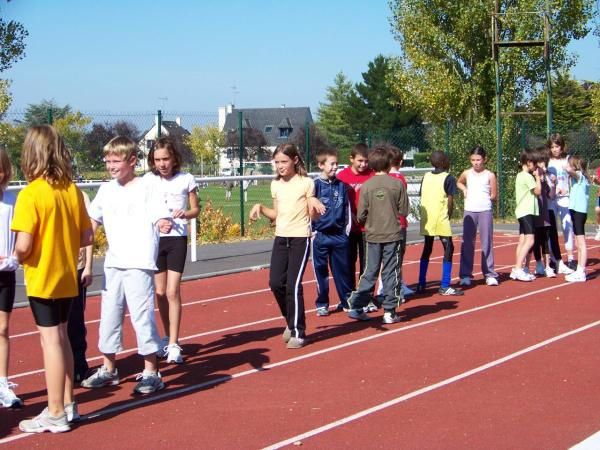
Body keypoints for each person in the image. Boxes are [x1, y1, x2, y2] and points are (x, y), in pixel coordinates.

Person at [12, 125, 93, 433]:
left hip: (43, 277)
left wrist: (13, 259)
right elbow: (87, 234)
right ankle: (68, 403)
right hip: (66, 276)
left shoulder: (31, 193)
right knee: (62, 339)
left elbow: (23, 245)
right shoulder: (71, 190)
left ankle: (56, 410)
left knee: (51, 342)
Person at [82, 136, 171, 394]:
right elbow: (93, 221)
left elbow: (158, 214)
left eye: (116, 160)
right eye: (108, 160)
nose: (111, 165)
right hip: (114, 264)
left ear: (132, 161)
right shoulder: (106, 190)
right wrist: (81, 240)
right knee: (109, 316)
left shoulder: (147, 187)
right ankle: (109, 368)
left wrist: (161, 222)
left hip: (139, 263)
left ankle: (151, 371)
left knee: (142, 316)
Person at [249, 144, 324, 349]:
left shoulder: (306, 183)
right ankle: (290, 321)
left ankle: (298, 332)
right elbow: (277, 214)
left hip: (300, 238)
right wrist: (260, 208)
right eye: (277, 162)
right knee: (275, 283)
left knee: (293, 285)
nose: (280, 166)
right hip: (281, 238)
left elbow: (312, 212)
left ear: (295, 160)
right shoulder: (276, 185)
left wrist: (316, 208)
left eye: (284, 161)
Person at [144, 137, 200, 364]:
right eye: (157, 160)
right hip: (156, 239)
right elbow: (143, 207)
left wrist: (184, 214)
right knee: (159, 292)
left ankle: (175, 343)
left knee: (172, 291)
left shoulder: (186, 179)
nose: (162, 164)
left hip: (177, 239)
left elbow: (196, 209)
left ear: (174, 158)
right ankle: (167, 337)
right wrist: (157, 221)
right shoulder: (148, 180)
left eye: (166, 158)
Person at [346, 146, 409, 324]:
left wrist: (368, 220)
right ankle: (389, 311)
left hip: (372, 235)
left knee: (369, 271)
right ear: (389, 164)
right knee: (391, 272)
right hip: (392, 235)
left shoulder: (366, 186)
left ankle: (357, 306)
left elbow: (360, 215)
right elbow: (404, 210)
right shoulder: (397, 184)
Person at [311, 147, 352, 316]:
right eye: (332, 164)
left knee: (343, 271)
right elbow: (308, 210)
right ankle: (322, 303)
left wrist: (346, 231)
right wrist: (313, 231)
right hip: (320, 236)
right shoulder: (314, 186)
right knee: (321, 272)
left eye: (337, 164)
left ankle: (346, 301)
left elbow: (347, 209)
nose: (335, 167)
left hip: (339, 236)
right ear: (321, 165)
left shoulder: (342, 186)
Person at [417, 151, 463, 296]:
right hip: (440, 217)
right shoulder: (448, 178)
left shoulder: (426, 176)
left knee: (427, 248)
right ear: (443, 163)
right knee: (448, 247)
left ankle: (421, 283)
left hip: (427, 217)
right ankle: (444, 285)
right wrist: (448, 215)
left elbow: (422, 194)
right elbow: (450, 200)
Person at [374, 145, 414, 299]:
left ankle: (392, 284)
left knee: (386, 256)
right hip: (398, 222)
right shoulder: (399, 179)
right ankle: (390, 286)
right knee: (396, 255)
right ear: (401, 162)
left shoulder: (378, 177)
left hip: (383, 222)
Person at [457, 145, 499, 287]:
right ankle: (465, 274)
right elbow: (459, 182)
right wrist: (464, 189)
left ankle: (489, 273)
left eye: (478, 159)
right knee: (468, 242)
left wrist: (487, 197)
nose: (476, 162)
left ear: (484, 159)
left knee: (486, 242)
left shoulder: (490, 175)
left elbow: (494, 194)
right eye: (473, 160)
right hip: (470, 210)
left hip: (485, 210)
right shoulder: (467, 173)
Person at [336, 143, 374, 294]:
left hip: (367, 227)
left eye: (366, 161)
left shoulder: (372, 175)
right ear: (351, 159)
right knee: (348, 261)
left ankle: (365, 295)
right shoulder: (342, 176)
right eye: (360, 161)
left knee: (367, 263)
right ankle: (350, 293)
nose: (363, 164)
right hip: (349, 227)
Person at [0, 147, 22, 408]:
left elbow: (22, 234)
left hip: (5, 274)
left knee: (3, 329)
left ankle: (3, 382)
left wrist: (16, 256)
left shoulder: (13, 200)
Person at [67, 189, 94, 383]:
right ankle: (62, 368)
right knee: (56, 325)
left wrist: (88, 267)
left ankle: (79, 365)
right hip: (51, 269)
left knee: (75, 319)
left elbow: (88, 232)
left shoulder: (79, 195)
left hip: (76, 266)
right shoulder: (37, 192)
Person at [510, 149, 542, 282]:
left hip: (522, 211)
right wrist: (538, 177)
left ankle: (517, 268)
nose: (536, 166)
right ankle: (518, 268)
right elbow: (538, 191)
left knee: (522, 241)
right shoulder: (527, 176)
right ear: (529, 163)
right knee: (530, 241)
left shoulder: (519, 175)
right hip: (527, 211)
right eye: (534, 163)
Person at [547, 134, 576, 271]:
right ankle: (553, 259)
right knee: (551, 229)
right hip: (551, 198)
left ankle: (570, 258)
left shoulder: (567, 159)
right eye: (552, 147)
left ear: (562, 147)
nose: (555, 149)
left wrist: (567, 187)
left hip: (565, 198)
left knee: (567, 225)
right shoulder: (547, 161)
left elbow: (574, 174)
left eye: (557, 146)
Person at [529, 147, 556, 278]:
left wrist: (553, 183)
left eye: (544, 163)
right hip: (534, 213)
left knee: (545, 240)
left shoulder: (545, 177)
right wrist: (538, 177)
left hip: (544, 213)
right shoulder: (532, 177)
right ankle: (538, 263)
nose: (542, 165)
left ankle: (547, 265)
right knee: (535, 240)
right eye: (540, 163)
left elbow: (551, 195)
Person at [564, 155, 590, 282]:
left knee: (581, 242)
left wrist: (567, 163)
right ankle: (579, 269)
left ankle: (581, 271)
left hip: (579, 213)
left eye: (570, 164)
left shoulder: (579, 176)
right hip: (575, 211)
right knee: (578, 242)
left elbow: (569, 170)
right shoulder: (575, 179)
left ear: (575, 166)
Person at [592, 165, 600, 241]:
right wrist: (595, 180)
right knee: (597, 209)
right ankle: (599, 230)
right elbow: (598, 182)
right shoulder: (599, 169)